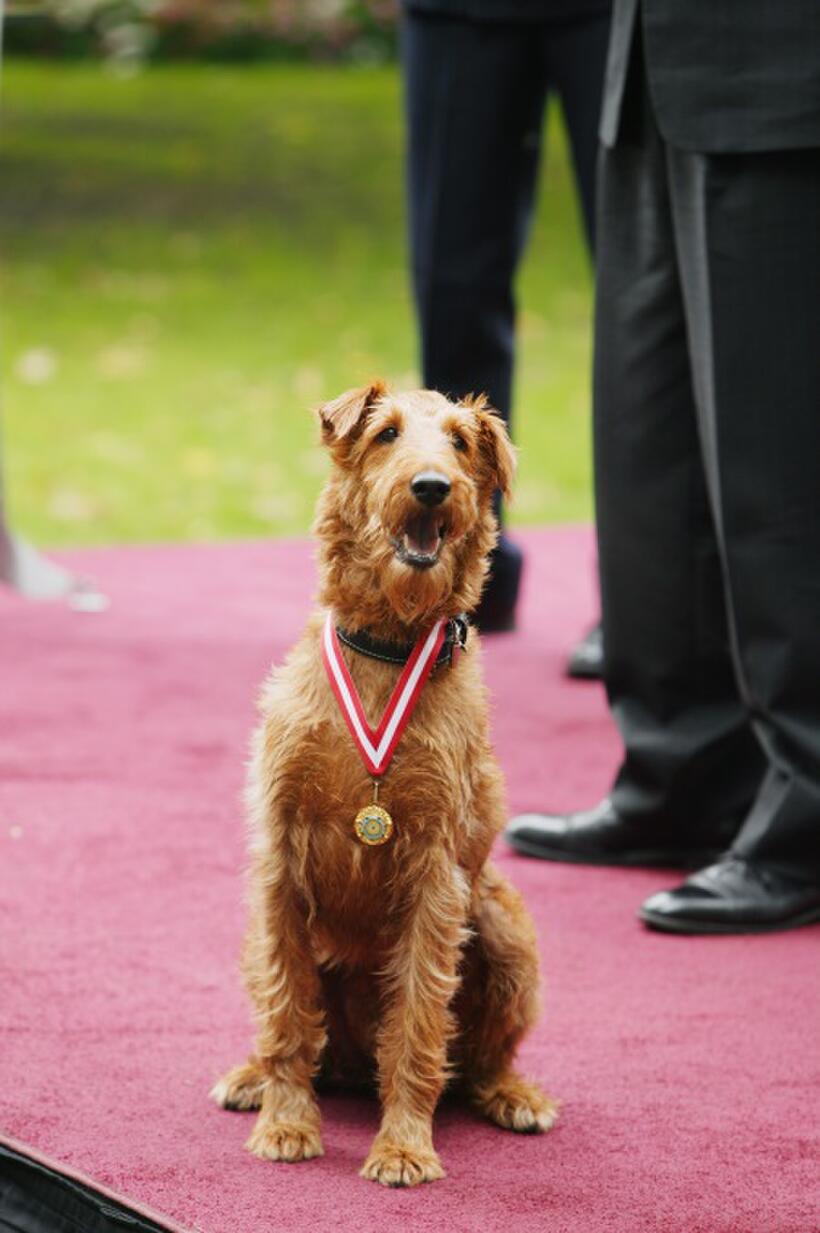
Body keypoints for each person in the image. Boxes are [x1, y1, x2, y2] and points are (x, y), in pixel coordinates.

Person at [507, 0, 820, 935]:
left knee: (775, 462)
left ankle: (809, 811)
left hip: (781, 74)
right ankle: (687, 773)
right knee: (651, 447)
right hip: (653, 58)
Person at [401, 0, 610, 668]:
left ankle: (646, 602)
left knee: (641, 290)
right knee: (453, 288)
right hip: (458, 13)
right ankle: (458, 578)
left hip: (618, 15)